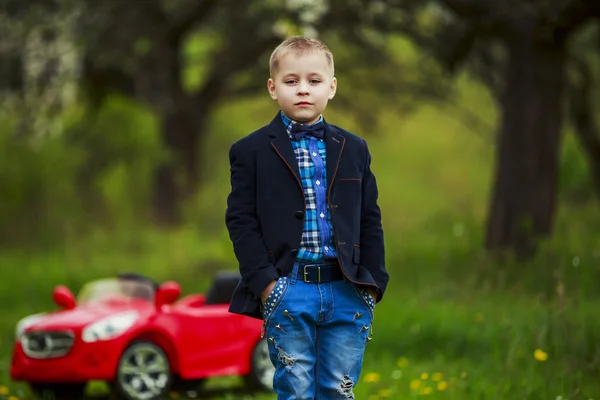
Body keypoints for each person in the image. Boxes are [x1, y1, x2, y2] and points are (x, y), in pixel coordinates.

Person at [225, 36, 389, 399]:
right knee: (296, 389)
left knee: (338, 390)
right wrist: (267, 284)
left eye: (314, 81)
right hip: (289, 286)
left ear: (331, 87)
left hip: (346, 287)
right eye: (291, 81)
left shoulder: (354, 148)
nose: (303, 90)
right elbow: (241, 220)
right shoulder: (250, 151)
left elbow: (369, 217)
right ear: (272, 87)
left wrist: (373, 283)